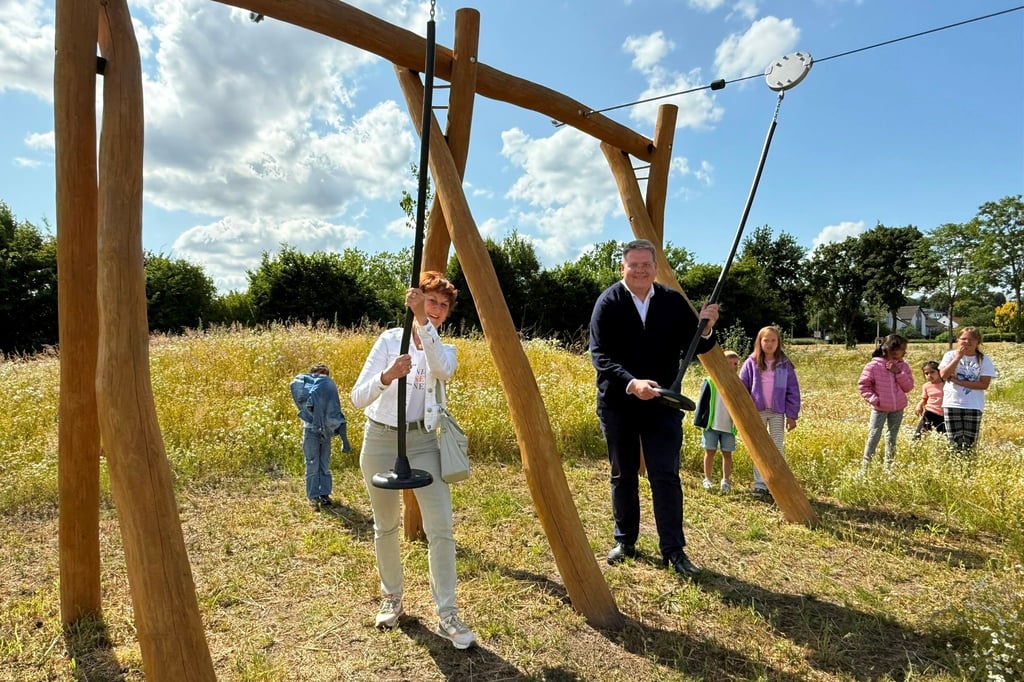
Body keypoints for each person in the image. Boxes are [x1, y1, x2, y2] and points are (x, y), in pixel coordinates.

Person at [350, 271, 476, 650]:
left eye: (441, 305)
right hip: (380, 438)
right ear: (414, 299)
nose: (435, 309)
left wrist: (422, 322)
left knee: (441, 527)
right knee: (385, 525)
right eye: (429, 301)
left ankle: (448, 613)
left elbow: (444, 370)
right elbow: (357, 397)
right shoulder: (391, 339)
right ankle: (393, 598)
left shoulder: (444, 347)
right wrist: (388, 377)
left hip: (423, 440)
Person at [589, 239, 719, 579]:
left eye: (646, 264)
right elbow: (599, 355)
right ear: (623, 268)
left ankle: (673, 550)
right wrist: (633, 383)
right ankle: (626, 541)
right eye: (634, 264)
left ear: (655, 268)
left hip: (663, 403)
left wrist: (707, 323)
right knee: (624, 473)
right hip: (619, 403)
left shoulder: (672, 302)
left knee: (665, 475)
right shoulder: (609, 302)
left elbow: (699, 344)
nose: (640, 270)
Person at [738, 326, 801, 501]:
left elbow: (792, 391)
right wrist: (744, 412)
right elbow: (742, 387)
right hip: (757, 412)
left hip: (777, 412)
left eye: (773, 340)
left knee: (776, 448)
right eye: (766, 340)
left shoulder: (784, 364)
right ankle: (760, 485)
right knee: (759, 448)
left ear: (778, 342)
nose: (770, 344)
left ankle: (777, 485)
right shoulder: (751, 362)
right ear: (760, 342)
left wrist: (792, 415)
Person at [291, 363, 351, 509]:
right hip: (311, 432)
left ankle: (324, 495)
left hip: (326, 433)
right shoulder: (306, 391)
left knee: (324, 465)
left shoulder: (330, 392)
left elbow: (335, 412)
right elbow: (305, 404)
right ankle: (313, 497)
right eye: (318, 376)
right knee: (312, 464)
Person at [857, 334, 914, 472]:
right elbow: (863, 386)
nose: (902, 353)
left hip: (898, 408)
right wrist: (875, 400)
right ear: (888, 349)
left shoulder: (903, 366)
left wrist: (898, 373)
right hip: (879, 408)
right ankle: (866, 467)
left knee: (891, 437)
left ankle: (889, 467)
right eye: (900, 350)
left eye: (903, 350)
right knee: (873, 436)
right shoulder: (873, 366)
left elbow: (908, 387)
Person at [939, 326, 997, 452]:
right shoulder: (950, 355)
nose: (967, 342)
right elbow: (943, 375)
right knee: (954, 442)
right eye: (963, 339)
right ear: (958, 340)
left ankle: (969, 467)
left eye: (972, 339)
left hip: (973, 405)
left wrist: (958, 381)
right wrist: (958, 358)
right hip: (952, 403)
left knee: (970, 443)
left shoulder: (984, 360)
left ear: (978, 342)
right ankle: (956, 468)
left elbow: (983, 385)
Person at [694, 350, 740, 494]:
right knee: (710, 451)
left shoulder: (738, 384)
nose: (733, 367)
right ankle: (707, 479)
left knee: (727, 454)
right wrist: (698, 420)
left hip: (728, 427)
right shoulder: (711, 381)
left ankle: (726, 481)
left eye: (736, 364)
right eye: (729, 363)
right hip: (711, 425)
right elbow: (702, 402)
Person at [913, 360, 946, 439]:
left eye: (932, 372)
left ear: (939, 371)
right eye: (926, 373)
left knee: (942, 436)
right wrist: (919, 406)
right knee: (919, 434)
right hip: (930, 413)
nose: (929, 375)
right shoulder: (926, 386)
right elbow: (924, 399)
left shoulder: (946, 384)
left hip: (944, 414)